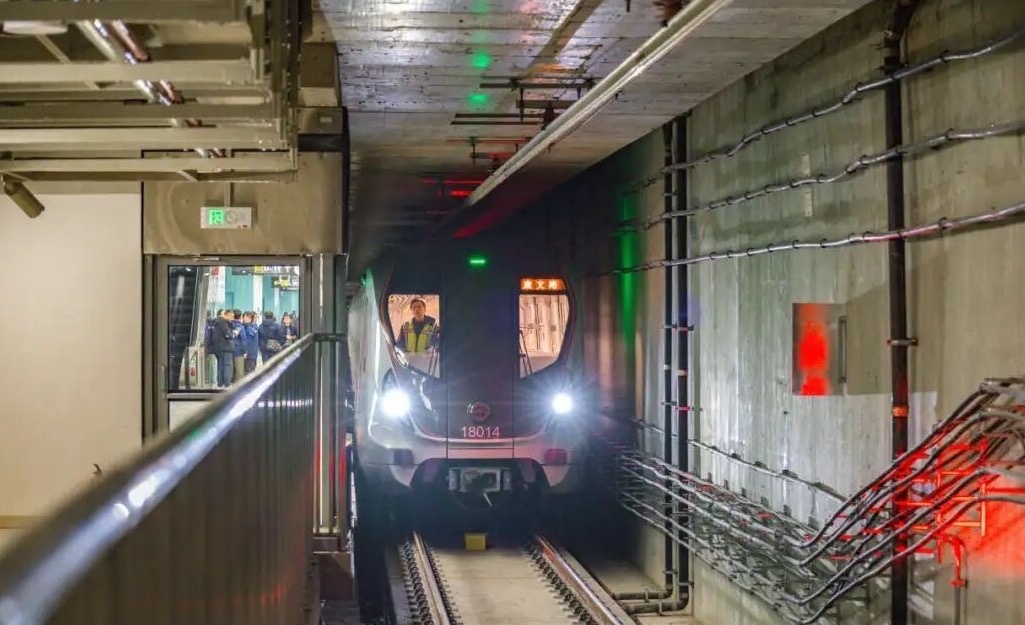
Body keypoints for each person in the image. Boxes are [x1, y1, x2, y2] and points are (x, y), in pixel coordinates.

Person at [209, 308, 235, 388]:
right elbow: (228, 334)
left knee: (220, 366)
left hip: (218, 348)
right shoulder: (224, 323)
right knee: (227, 366)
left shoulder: (216, 322)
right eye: (231, 316)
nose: (232, 319)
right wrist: (234, 333)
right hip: (226, 347)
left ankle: (220, 383)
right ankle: (227, 384)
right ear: (227, 315)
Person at [231, 309, 246, 382]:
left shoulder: (228, 325)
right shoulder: (241, 327)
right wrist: (245, 351)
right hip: (239, 352)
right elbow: (243, 340)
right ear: (240, 317)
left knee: (230, 371)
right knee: (239, 372)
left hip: (229, 351)